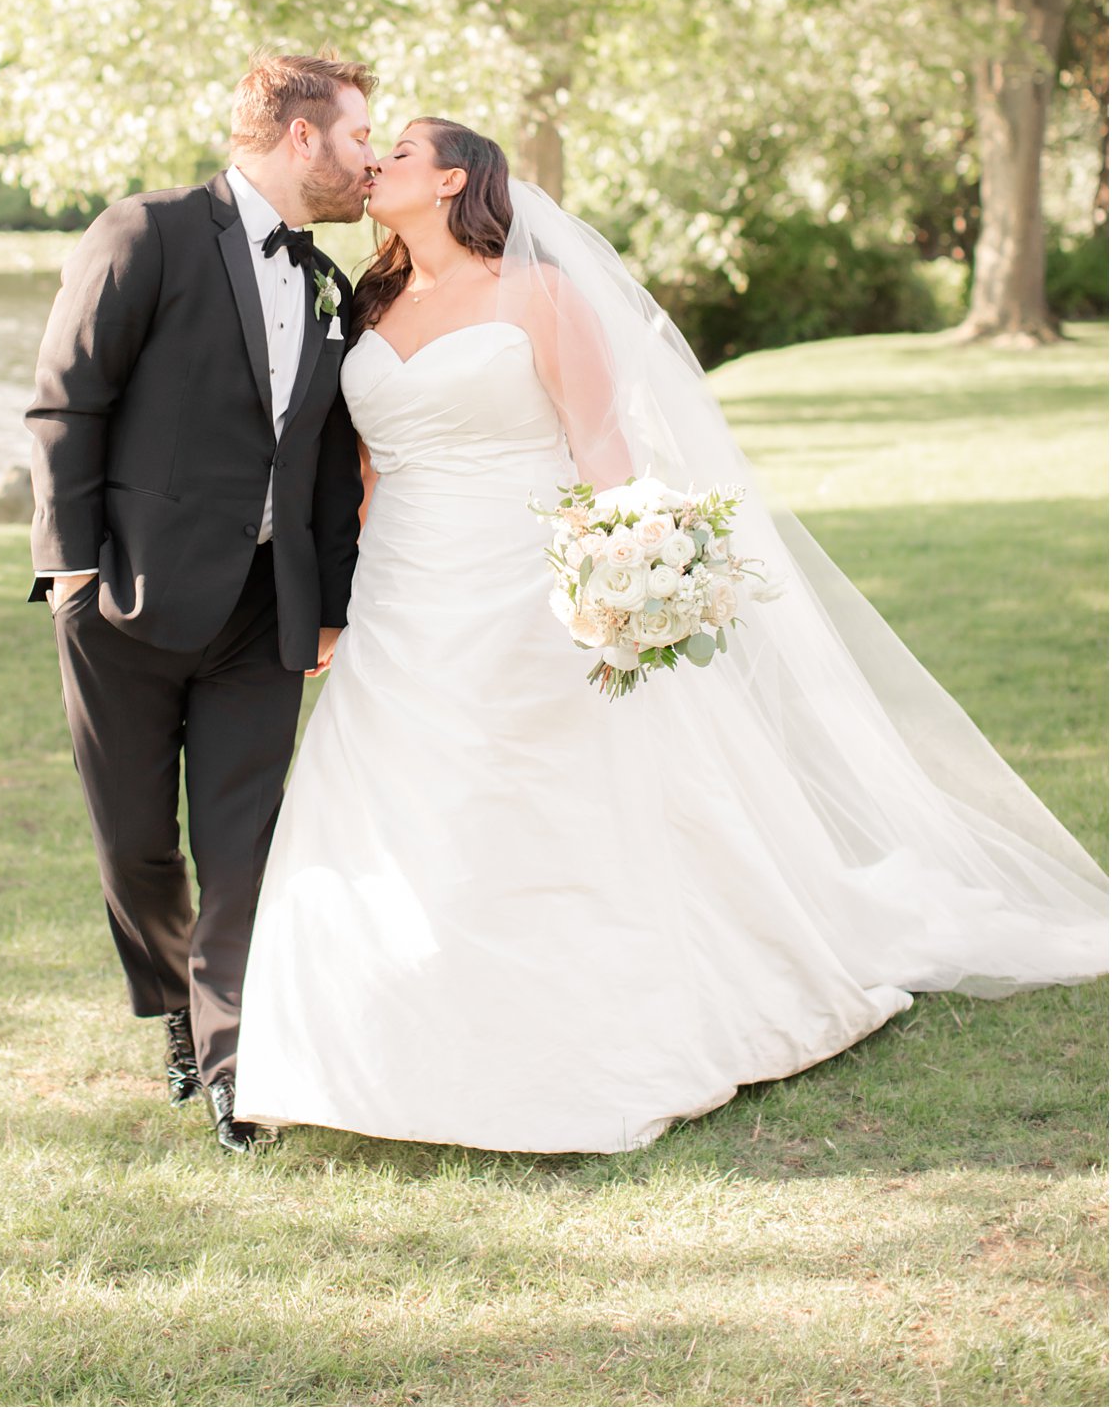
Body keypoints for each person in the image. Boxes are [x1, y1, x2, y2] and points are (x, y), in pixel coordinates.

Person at [233, 118, 1108, 1153]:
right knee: (387, 802)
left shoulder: (539, 296)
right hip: (403, 592)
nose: (373, 165)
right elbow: (367, 470)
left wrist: (627, 568)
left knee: (550, 793)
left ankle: (595, 1026)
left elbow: (602, 442)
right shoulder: (371, 302)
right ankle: (355, 1047)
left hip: (524, 580)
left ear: (456, 179)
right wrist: (341, 593)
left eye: (402, 153)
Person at [26, 52, 377, 1152]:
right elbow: (66, 402)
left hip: (259, 617)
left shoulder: (328, 287)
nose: (370, 158)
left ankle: (236, 1067)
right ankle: (174, 1007)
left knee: (241, 845)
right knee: (136, 846)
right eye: (359, 136)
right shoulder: (145, 232)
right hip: (122, 598)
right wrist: (72, 570)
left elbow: (320, 459)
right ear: (301, 136)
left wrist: (325, 601)